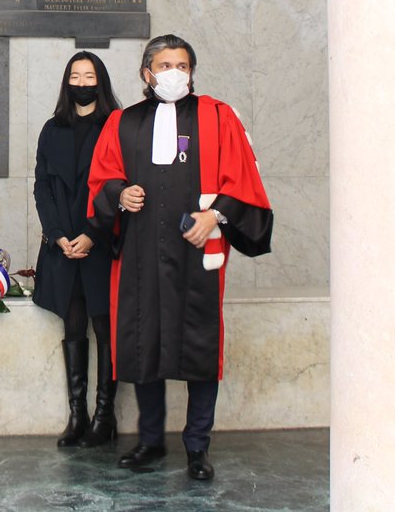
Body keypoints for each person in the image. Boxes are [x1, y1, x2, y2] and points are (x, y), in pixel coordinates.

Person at [87, 34, 272, 480]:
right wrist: (120, 193)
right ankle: (150, 441)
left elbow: (243, 179)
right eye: (165, 64)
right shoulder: (123, 122)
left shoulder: (217, 117)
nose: (175, 73)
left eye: (183, 65)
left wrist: (217, 216)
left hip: (197, 252)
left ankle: (197, 446)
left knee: (200, 346)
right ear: (145, 73)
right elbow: (101, 180)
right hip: (141, 252)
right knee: (143, 341)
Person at [33, 51, 122, 448]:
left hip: (101, 244)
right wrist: (57, 235)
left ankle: (105, 416)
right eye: (76, 75)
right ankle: (77, 415)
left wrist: (92, 234)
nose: (82, 83)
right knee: (73, 328)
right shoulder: (52, 129)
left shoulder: (116, 127)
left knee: (105, 329)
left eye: (89, 76)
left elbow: (118, 186)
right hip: (63, 247)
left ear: (100, 82)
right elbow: (43, 186)